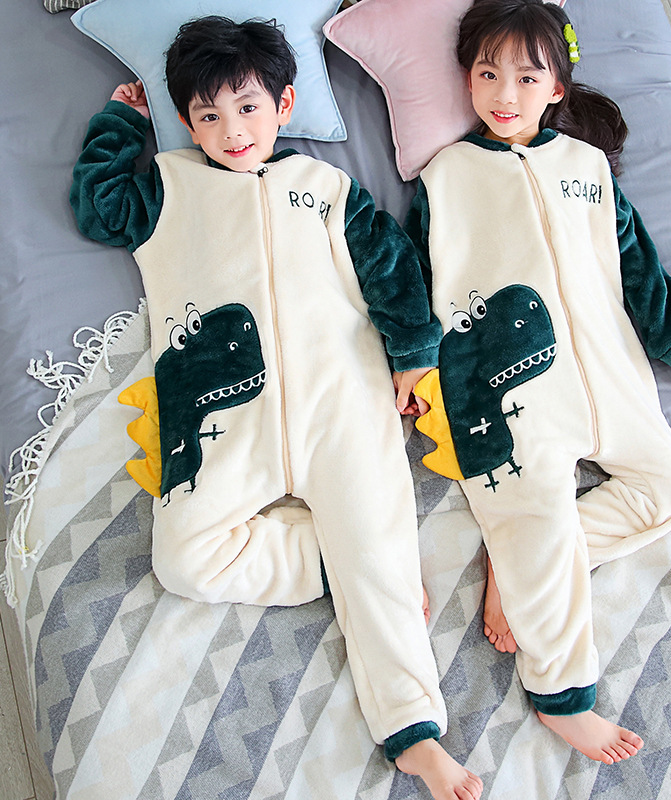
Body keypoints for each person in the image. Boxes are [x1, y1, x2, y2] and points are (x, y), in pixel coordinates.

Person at [70, 16, 483, 799]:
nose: (233, 131)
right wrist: (121, 125)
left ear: (285, 105)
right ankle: (339, 566)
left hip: (342, 402)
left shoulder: (325, 189)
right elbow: (98, 207)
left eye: (249, 108)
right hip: (223, 416)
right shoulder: (167, 186)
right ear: (186, 121)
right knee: (185, 560)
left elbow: (391, 267)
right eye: (209, 115)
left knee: (382, 551)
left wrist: (413, 351)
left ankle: (415, 734)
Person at [406, 0, 671, 766]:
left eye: (526, 77)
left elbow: (635, 258)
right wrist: (406, 361)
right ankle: (562, 697)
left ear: (557, 89)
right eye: (487, 74)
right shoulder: (444, 177)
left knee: (670, 492)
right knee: (533, 509)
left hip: (608, 369)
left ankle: (521, 564)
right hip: (507, 385)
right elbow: (407, 283)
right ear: (467, 80)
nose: (505, 93)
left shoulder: (587, 167)